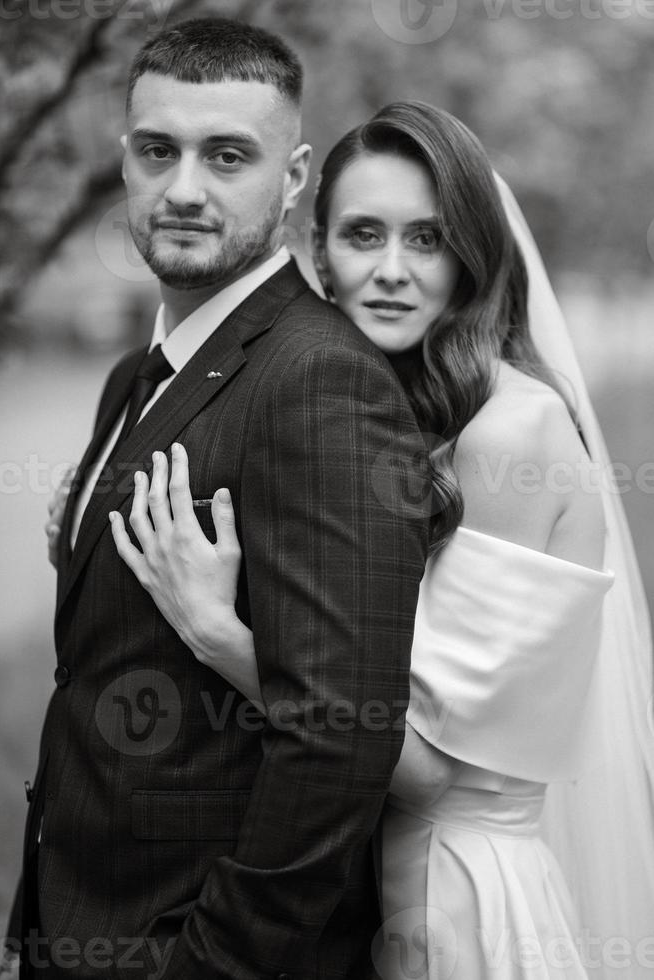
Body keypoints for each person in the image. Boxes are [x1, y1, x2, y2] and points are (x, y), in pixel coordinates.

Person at [102, 100, 654, 979]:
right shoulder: (402, 418)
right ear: (318, 252)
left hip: (448, 901)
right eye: (364, 235)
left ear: (472, 256)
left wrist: (218, 633)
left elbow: (428, 767)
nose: (392, 271)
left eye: (426, 240)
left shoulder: (508, 435)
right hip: (371, 888)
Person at [5, 20, 433, 980]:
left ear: (291, 180)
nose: (185, 188)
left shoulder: (324, 382)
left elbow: (340, 739)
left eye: (228, 155)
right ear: (125, 162)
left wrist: (211, 962)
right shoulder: (135, 375)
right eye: (159, 150)